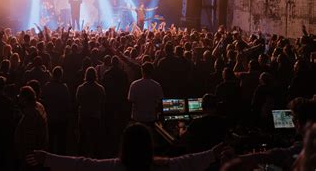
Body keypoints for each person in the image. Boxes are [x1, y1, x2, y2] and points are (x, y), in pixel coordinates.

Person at [26, 123, 229, 171]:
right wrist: (213, 153)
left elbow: (84, 164)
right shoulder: (160, 166)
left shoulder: (116, 166)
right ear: (149, 145)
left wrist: (49, 158)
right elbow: (187, 162)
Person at [76, 67, 106, 157]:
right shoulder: (100, 88)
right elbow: (103, 101)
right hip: (95, 115)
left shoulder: (81, 88)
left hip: (84, 115)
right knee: (95, 138)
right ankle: (96, 157)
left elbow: (78, 101)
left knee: (82, 138)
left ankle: (81, 157)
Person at [42, 67, 72, 154]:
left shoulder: (47, 86)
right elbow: (67, 104)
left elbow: (43, 100)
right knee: (61, 142)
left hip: (50, 118)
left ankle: (50, 159)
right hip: (61, 118)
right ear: (61, 76)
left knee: (50, 141)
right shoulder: (64, 88)